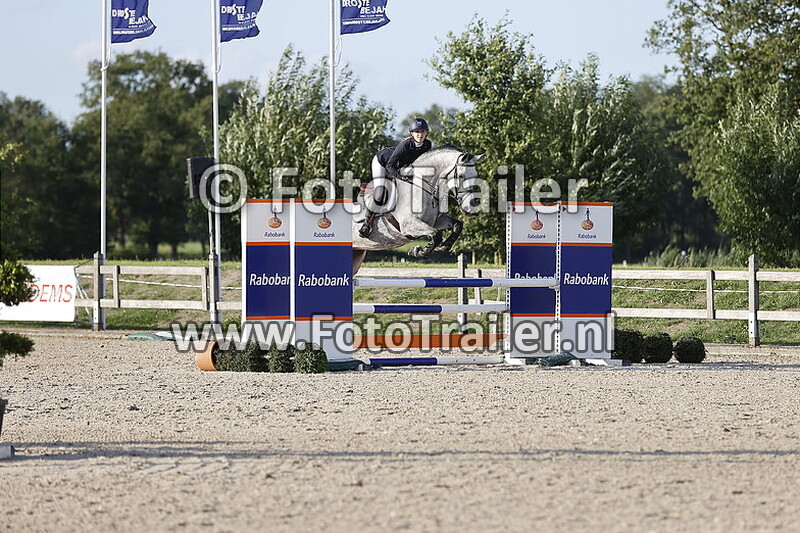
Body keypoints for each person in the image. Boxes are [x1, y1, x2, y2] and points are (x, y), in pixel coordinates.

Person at [359, 117, 433, 238]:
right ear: (412, 133)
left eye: (422, 132)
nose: (420, 135)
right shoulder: (405, 145)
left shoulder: (427, 145)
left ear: (426, 133)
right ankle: (366, 224)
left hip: (401, 166)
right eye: (417, 132)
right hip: (382, 162)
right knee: (380, 192)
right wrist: (401, 178)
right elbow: (390, 166)